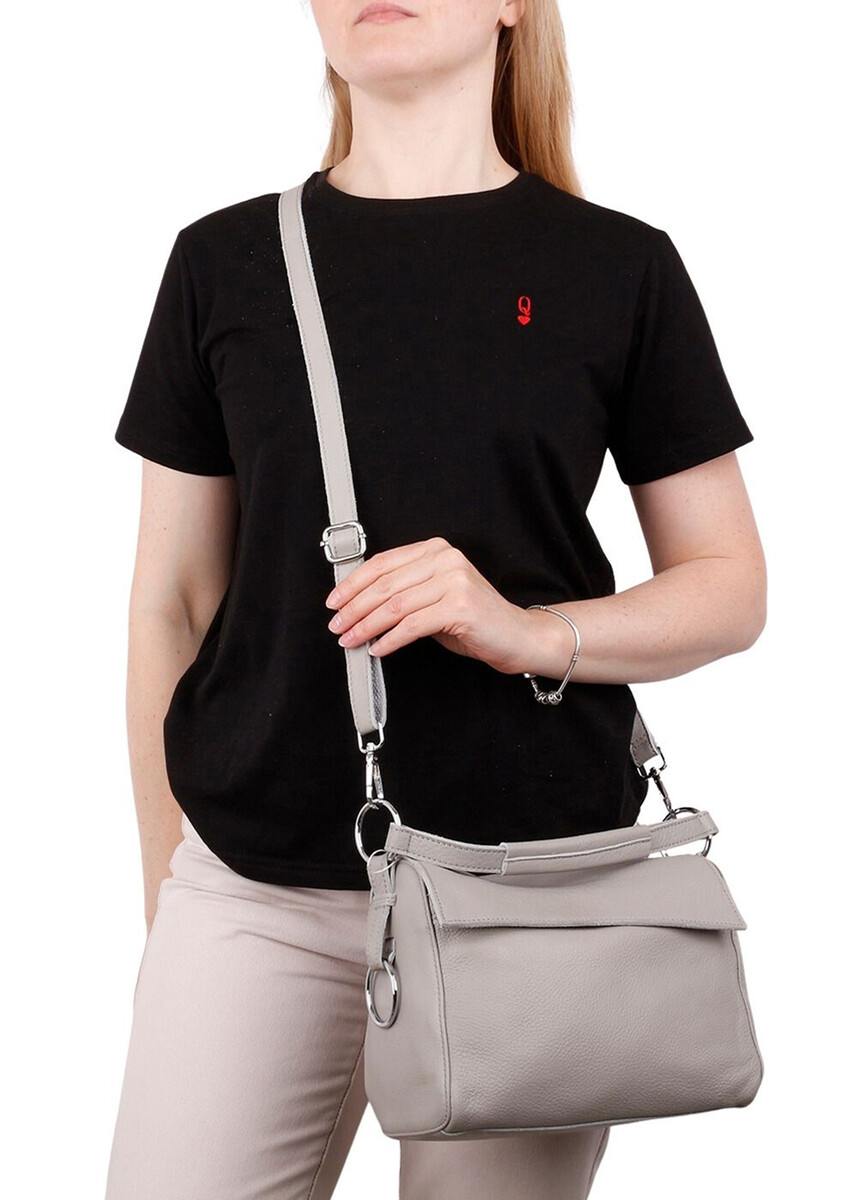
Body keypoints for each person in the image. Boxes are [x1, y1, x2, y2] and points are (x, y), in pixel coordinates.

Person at [104, 1, 767, 1197]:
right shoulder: (223, 262)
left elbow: (730, 586)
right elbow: (172, 603)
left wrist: (523, 632)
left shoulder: (618, 267)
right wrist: (170, 900)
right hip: (255, 890)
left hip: (534, 888)